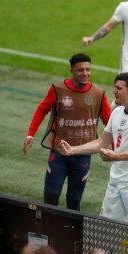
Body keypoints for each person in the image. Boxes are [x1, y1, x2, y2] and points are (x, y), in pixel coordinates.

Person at [58, 73, 128, 227]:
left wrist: (116, 156)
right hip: (116, 181)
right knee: (107, 228)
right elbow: (101, 142)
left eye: (119, 88)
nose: (114, 91)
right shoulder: (117, 113)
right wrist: (72, 150)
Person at [22, 53, 111, 211]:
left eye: (88, 70)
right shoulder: (58, 90)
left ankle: (71, 233)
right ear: (71, 71)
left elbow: (110, 122)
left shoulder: (98, 94)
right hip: (59, 154)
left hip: (83, 155)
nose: (85, 73)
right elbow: (42, 109)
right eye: (80, 70)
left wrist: (117, 146)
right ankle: (49, 230)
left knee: (74, 199)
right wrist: (31, 134)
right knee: (51, 195)